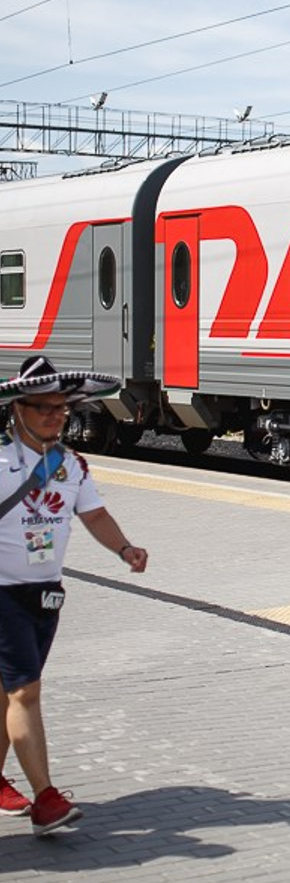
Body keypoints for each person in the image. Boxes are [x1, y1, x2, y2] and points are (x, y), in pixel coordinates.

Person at [0, 356, 149, 836]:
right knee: (26, 691)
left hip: (44, 595)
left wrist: (124, 548)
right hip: (1, 595)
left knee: (6, 693)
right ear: (17, 409)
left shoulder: (70, 464)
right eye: (42, 407)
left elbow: (95, 516)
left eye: (60, 409)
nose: (53, 416)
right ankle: (46, 798)